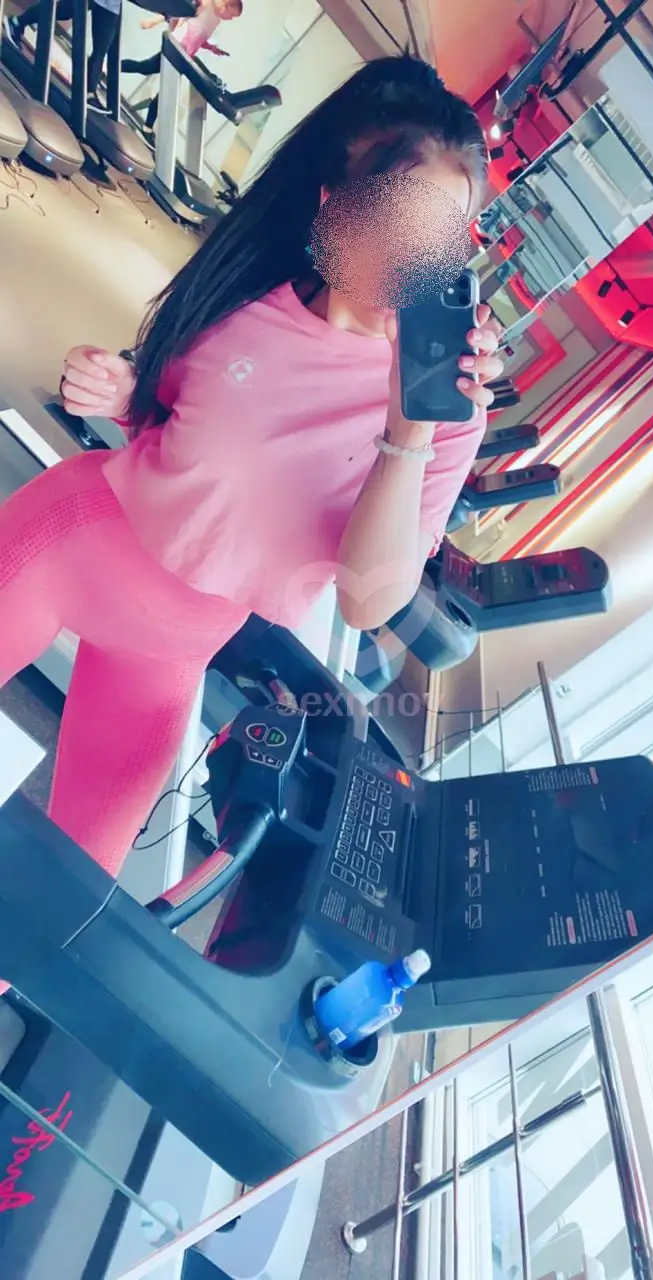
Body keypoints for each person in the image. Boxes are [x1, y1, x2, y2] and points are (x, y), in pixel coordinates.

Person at [0, 55, 501, 961]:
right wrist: (122, 388)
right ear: (334, 207)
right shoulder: (249, 295)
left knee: (52, 914)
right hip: (69, 542)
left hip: (171, 654)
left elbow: (368, 600)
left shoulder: (448, 412)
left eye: (443, 237)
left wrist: (409, 426)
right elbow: (169, 411)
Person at [121, 0, 241, 137]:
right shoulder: (205, 5)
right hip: (175, 49)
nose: (230, 19)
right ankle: (109, 66)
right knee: (146, 68)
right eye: (232, 15)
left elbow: (200, 37)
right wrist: (153, 21)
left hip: (184, 58)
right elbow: (176, 11)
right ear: (227, 6)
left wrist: (211, 48)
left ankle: (147, 127)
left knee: (160, 87)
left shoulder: (216, 21)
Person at [4, 0, 122, 113]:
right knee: (62, 11)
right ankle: (18, 22)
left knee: (101, 49)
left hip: (111, 5)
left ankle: (89, 93)